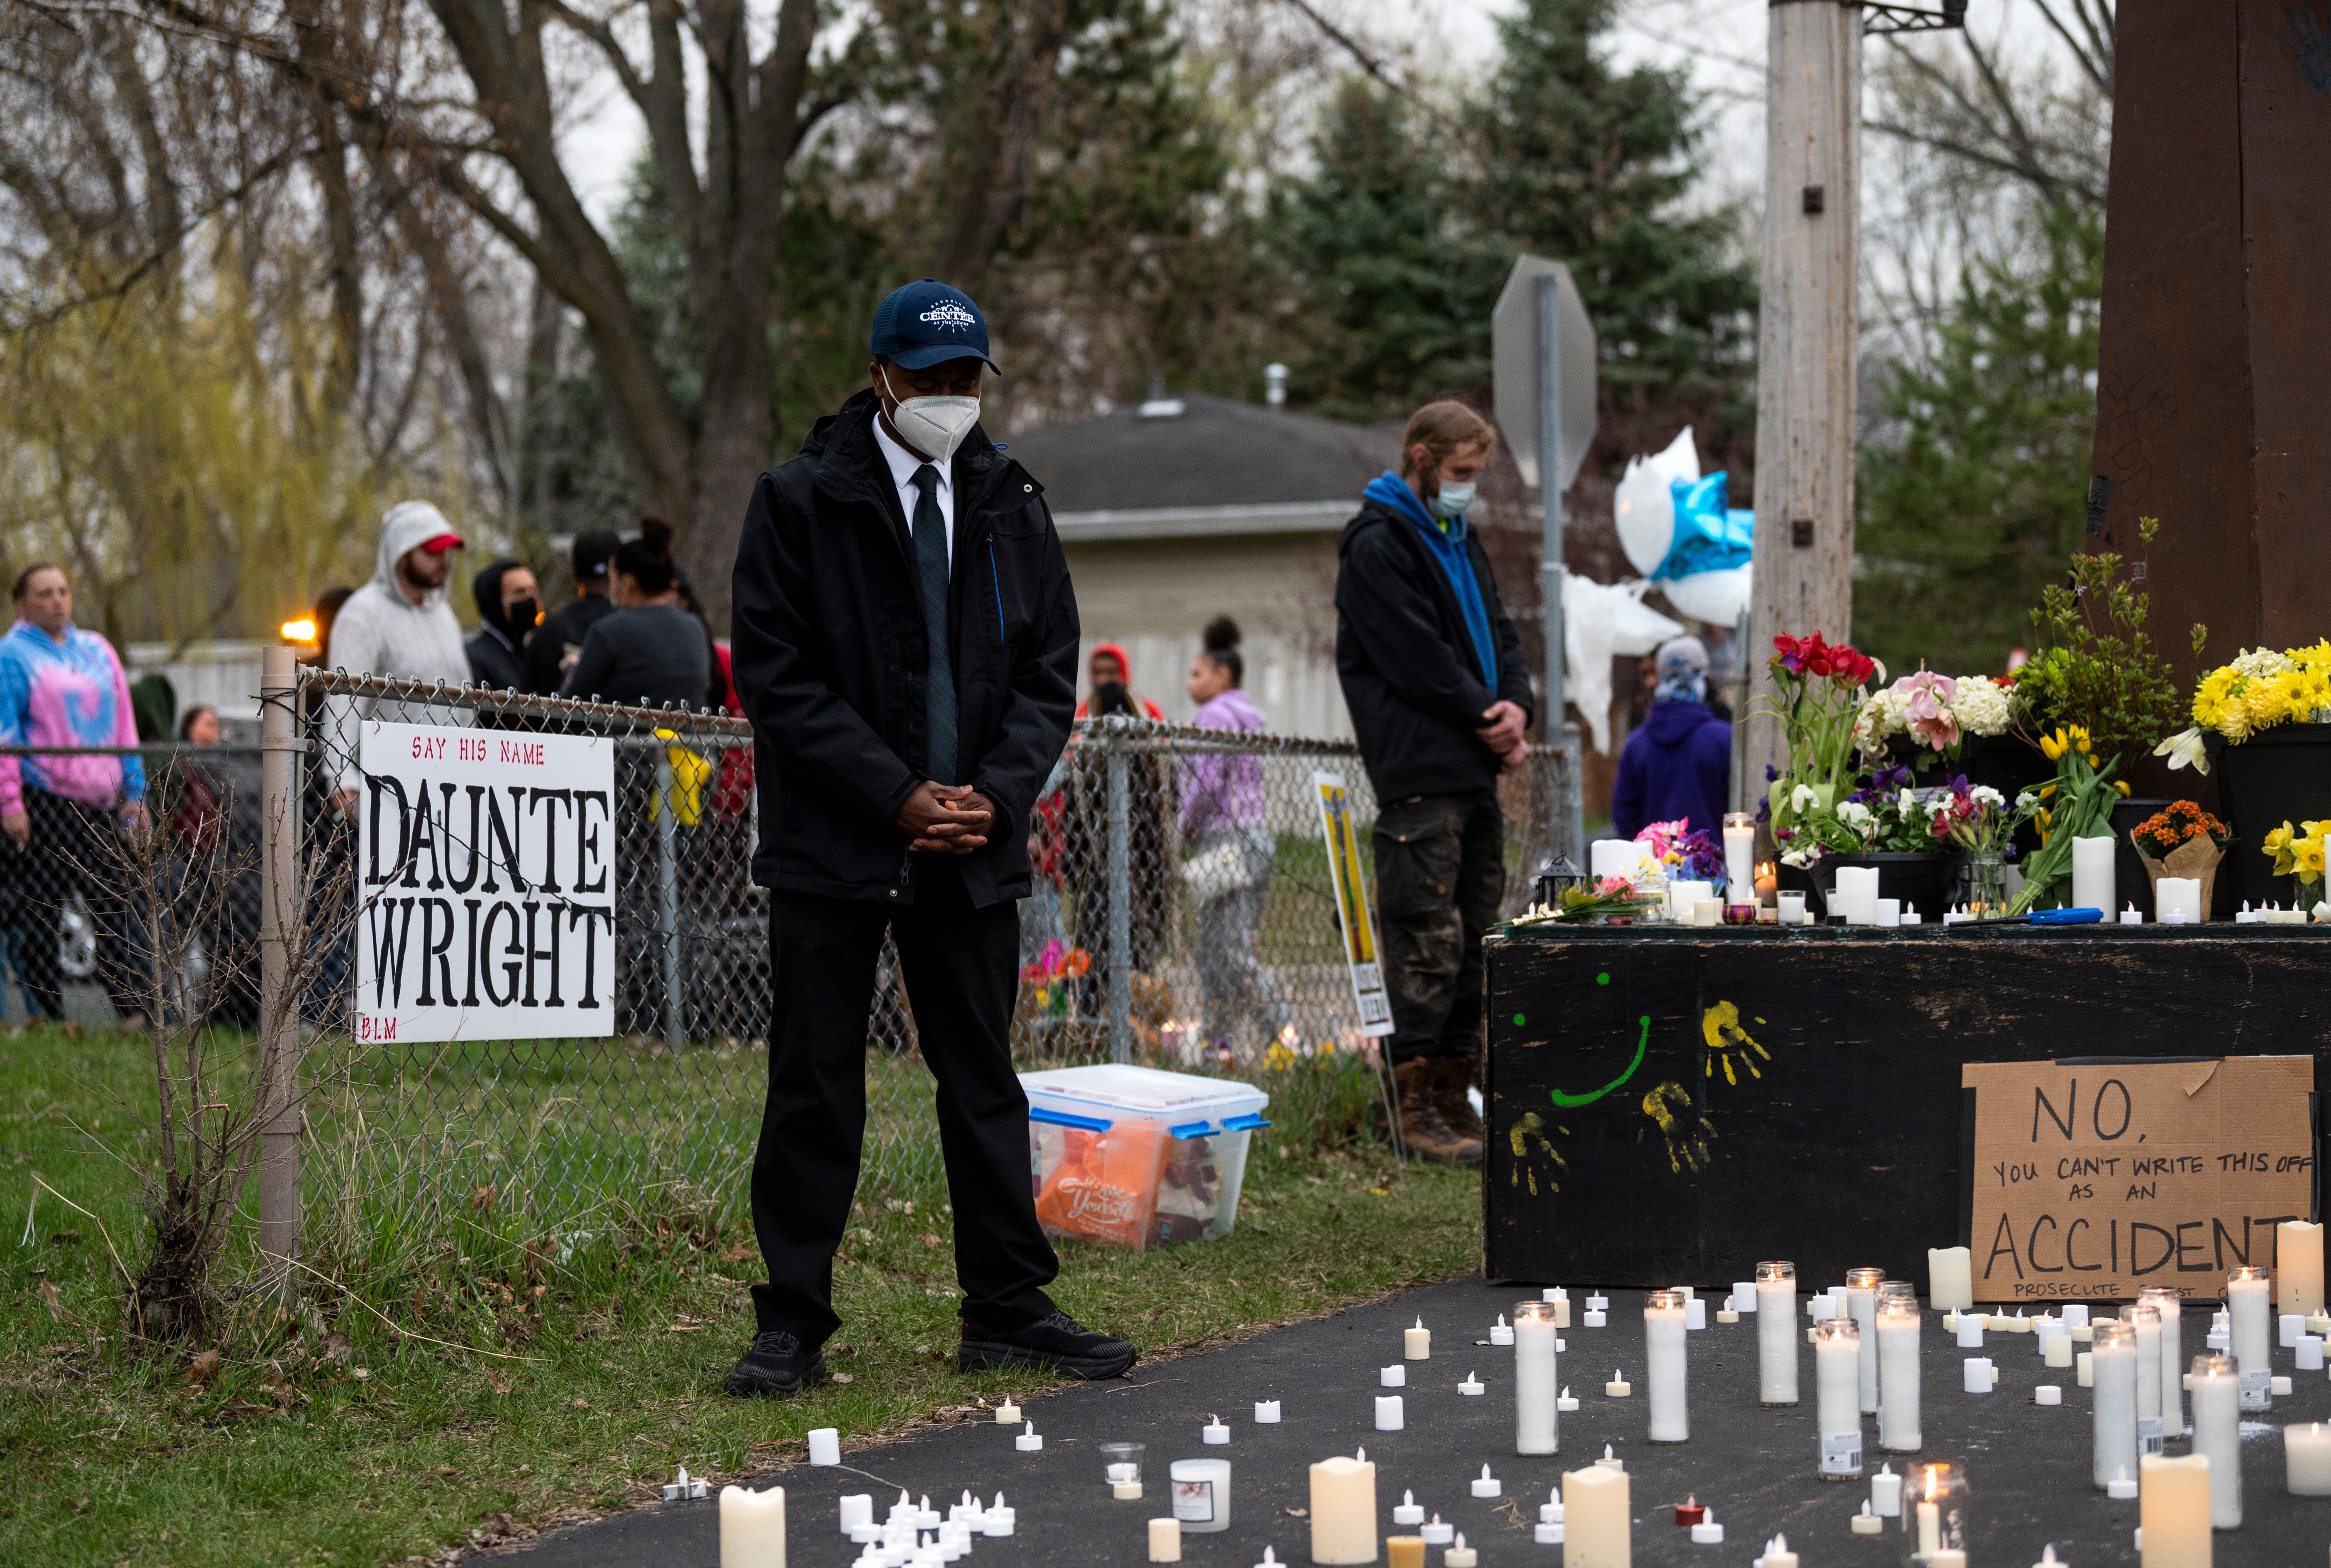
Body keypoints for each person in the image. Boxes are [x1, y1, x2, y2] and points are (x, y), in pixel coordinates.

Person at [729, 277, 1132, 1396]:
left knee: (982, 1079)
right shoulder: (800, 501)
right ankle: (793, 1324)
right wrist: (893, 793)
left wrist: (994, 797)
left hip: (973, 843)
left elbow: (1049, 671)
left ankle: (1006, 1305)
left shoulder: (1010, 499)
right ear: (879, 376)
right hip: (837, 845)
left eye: (967, 379)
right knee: (814, 1080)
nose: (951, 398)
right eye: (930, 378)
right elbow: (777, 674)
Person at [1335, 400, 1532, 1165]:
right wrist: (1485, 712)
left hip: (1474, 766)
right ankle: (1414, 1102)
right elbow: (1412, 655)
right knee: (1425, 938)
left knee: (1475, 934)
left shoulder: (1459, 539)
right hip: (1420, 767)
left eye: (1476, 474)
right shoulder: (1379, 544)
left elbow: (1501, 631)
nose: (1468, 488)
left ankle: (1457, 1094)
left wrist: (1516, 705)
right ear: (1420, 457)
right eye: (1460, 473)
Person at [0, 564, 152, 1022]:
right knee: (45, 910)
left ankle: (135, 1013)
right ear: (22, 604)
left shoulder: (98, 649)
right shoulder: (13, 654)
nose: (58, 601)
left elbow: (124, 723)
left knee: (117, 904)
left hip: (101, 802)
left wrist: (136, 791)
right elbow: (5, 733)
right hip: (44, 797)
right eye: (44, 594)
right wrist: (10, 803)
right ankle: (49, 1016)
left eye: (64, 591)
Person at [1178, 616, 1284, 1061]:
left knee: (1223, 950)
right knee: (1223, 947)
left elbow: (1205, 784)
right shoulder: (1245, 717)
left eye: (1197, 673)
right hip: (1254, 839)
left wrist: (1182, 829)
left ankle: (1279, 1033)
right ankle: (1221, 1038)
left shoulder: (1214, 715)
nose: (1190, 682)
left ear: (1223, 676)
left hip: (1224, 844)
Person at [322, 501, 471, 810]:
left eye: (446, 551)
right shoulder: (364, 613)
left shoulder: (443, 614)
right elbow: (343, 705)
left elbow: (464, 701)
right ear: (400, 553)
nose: (443, 560)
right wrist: (343, 781)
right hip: (391, 789)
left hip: (453, 787)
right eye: (431, 552)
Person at [563, 519, 711, 709]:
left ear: (627, 582)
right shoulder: (694, 626)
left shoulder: (610, 631)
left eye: (613, 578)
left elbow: (574, 704)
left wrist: (574, 670)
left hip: (623, 736)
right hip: (687, 736)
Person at [1611, 635, 1732, 840]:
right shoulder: (1724, 739)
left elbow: (1624, 816)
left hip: (1652, 868)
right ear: (1705, 678)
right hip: (1713, 867)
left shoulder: (1637, 744)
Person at [525, 529, 621, 696]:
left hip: (564, 720)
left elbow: (531, 694)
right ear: (623, 574)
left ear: (575, 574)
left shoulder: (551, 627)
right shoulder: (634, 625)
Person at [466, 561, 540, 693]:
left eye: (533, 590)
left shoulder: (536, 648)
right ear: (495, 602)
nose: (531, 599)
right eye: (520, 592)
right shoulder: (477, 659)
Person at [1075, 642, 1164, 719]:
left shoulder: (1148, 709)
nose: (1103, 680)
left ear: (1123, 673)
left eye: (1111, 672)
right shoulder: (1083, 711)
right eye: (1098, 672)